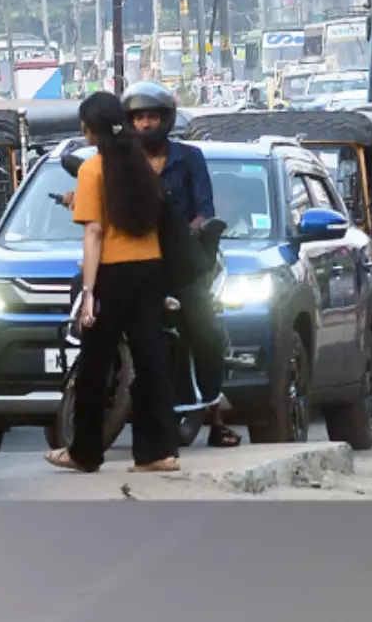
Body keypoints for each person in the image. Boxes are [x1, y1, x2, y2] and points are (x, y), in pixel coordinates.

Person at [45, 92, 181, 474]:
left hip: (113, 274)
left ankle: (84, 452)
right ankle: (160, 452)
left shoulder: (92, 170)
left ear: (92, 129)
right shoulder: (142, 165)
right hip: (150, 269)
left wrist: (88, 291)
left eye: (84, 125)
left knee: (95, 364)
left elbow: (94, 232)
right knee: (151, 358)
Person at [121, 82, 241, 449]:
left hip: (183, 262)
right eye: (138, 117)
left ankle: (215, 415)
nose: (145, 124)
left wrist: (185, 233)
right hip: (134, 260)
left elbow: (204, 209)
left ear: (165, 119)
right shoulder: (122, 162)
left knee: (205, 333)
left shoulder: (189, 158)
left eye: (151, 116)